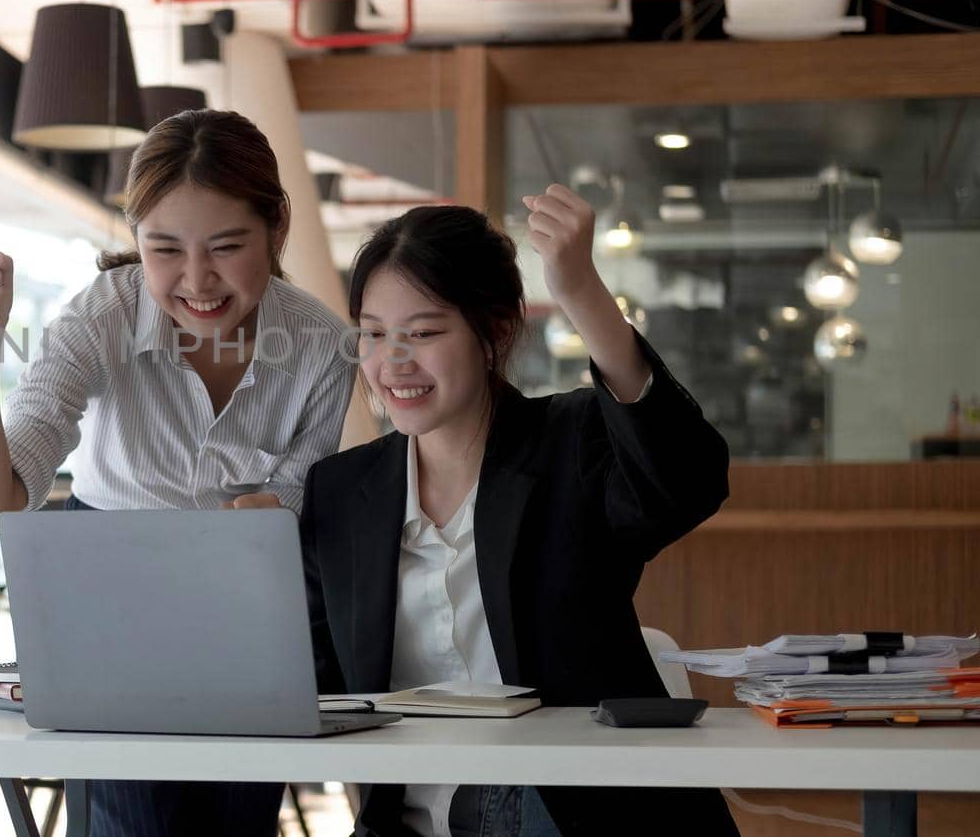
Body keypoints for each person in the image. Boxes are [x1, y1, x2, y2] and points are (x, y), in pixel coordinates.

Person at [0, 109, 355, 837]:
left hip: (246, 614)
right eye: (164, 248)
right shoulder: (98, 319)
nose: (197, 280)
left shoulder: (323, 347)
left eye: (227, 247)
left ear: (278, 228)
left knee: (238, 826)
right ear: (135, 238)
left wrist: (278, 512)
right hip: (110, 610)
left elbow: (300, 502)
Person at [300, 190, 741, 837]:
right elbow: (309, 687)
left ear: (497, 331)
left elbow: (689, 480)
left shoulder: (573, 444)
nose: (392, 363)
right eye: (372, 333)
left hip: (576, 817)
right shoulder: (341, 493)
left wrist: (583, 293)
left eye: (422, 333)